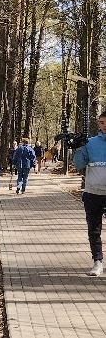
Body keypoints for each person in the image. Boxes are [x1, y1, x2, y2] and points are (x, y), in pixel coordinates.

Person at [73, 111, 106, 277]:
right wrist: (78, 148)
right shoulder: (90, 143)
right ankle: (97, 262)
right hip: (93, 193)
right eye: (101, 122)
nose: (104, 125)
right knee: (94, 230)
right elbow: (79, 164)